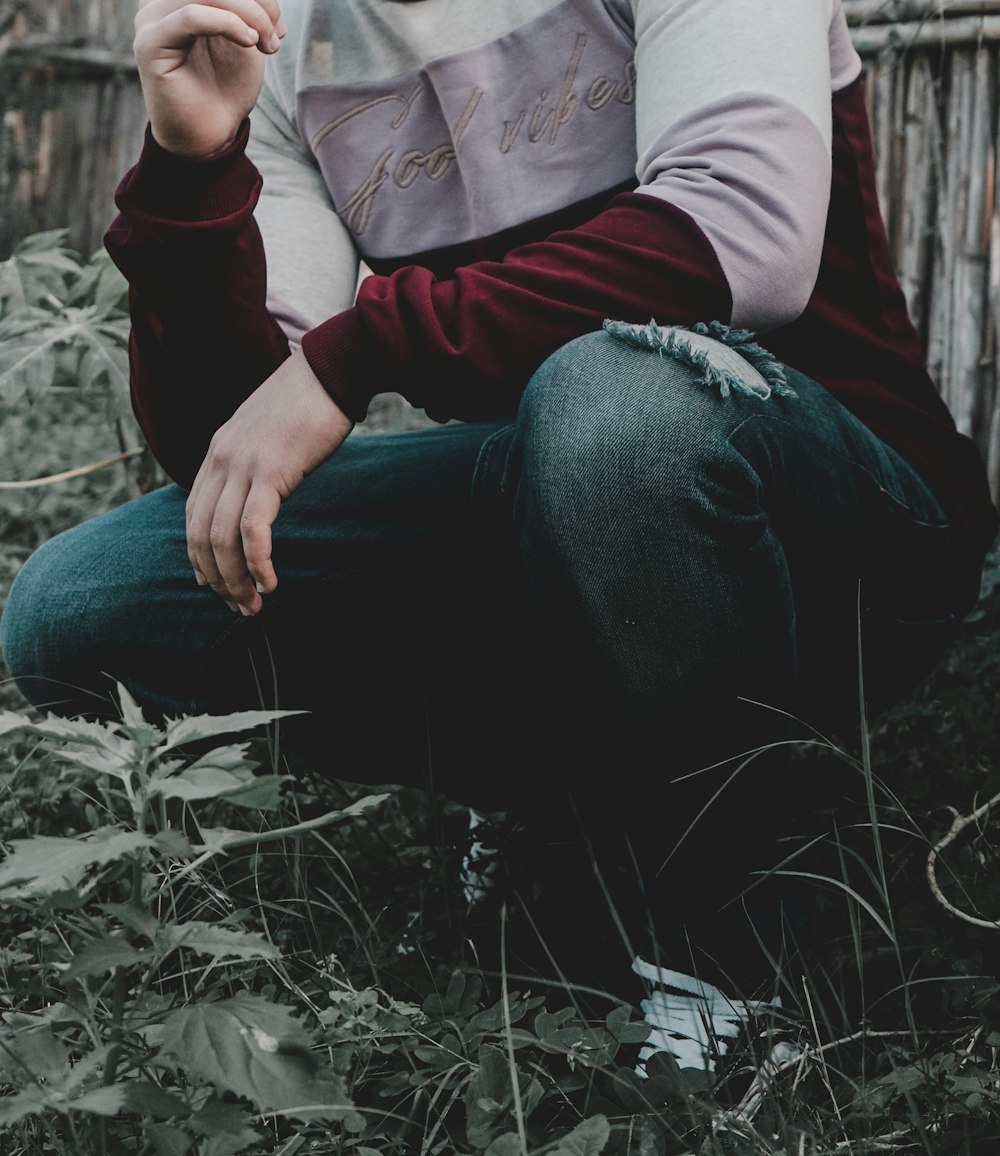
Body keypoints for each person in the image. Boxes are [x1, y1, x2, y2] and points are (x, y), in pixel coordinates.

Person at [2, 0, 996, 1049]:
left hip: (839, 525)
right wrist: (193, 169)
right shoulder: (289, 47)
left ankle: (729, 968)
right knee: (81, 606)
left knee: (614, 407)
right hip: (557, 510)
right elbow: (236, 445)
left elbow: (739, 230)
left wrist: (362, 351)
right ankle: (559, 795)